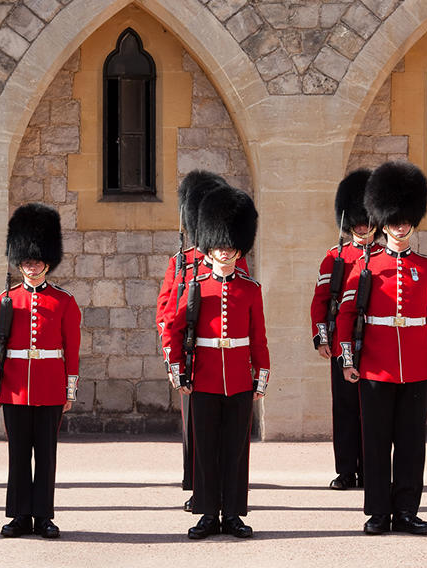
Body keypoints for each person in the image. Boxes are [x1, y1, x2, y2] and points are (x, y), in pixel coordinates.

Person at [336, 161, 427, 535]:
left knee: (412, 445)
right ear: (383, 221)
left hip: (415, 366)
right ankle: (378, 511)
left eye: (406, 219)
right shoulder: (366, 266)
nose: (401, 225)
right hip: (376, 367)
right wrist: (347, 359)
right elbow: (346, 316)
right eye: (394, 219)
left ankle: (407, 511)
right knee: (377, 442)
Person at [165, 185, 268, 540]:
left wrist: (261, 378)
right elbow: (173, 330)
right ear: (210, 246)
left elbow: (259, 338)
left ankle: (234, 514)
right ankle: (208, 513)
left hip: (239, 378)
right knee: (206, 449)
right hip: (204, 377)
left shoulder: (249, 289)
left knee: (237, 450)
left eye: (231, 247)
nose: (225, 253)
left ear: (239, 249)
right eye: (220, 246)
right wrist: (178, 371)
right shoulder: (195, 286)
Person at [0, 203, 81, 539]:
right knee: (18, 454)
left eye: (36, 261)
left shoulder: (63, 302)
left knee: (47, 455)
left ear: (47, 263)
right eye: (25, 261)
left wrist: (69, 391)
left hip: (51, 388)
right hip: (14, 388)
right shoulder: (5, 300)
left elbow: (72, 349)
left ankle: (44, 516)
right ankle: (20, 515)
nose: (30, 266)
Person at [155, 171, 248, 511]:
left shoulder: (235, 261)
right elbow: (165, 310)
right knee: (197, 430)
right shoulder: (179, 263)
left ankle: (222, 493)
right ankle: (200, 489)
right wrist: (173, 358)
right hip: (194, 357)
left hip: (223, 361)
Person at [309, 168, 381, 490]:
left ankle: (370, 470)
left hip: (377, 343)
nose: (364, 228)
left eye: (368, 222)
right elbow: (322, 300)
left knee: (373, 411)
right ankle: (346, 470)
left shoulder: (383, 255)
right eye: (359, 222)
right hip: (342, 342)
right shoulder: (335, 257)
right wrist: (323, 338)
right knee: (346, 408)